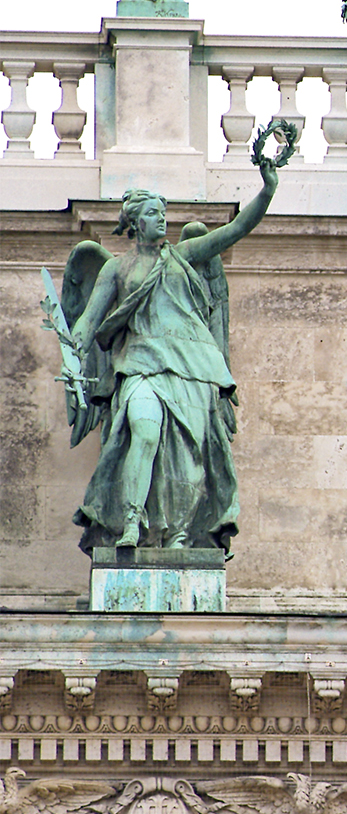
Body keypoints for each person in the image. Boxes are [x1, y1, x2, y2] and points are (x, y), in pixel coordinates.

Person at [70, 159, 277, 552]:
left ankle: (178, 534)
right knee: (144, 434)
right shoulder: (116, 268)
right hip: (140, 367)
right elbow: (87, 323)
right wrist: (71, 347)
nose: (161, 220)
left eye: (163, 214)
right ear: (135, 223)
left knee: (187, 457)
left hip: (188, 371)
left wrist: (267, 189)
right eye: (152, 214)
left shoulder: (183, 256)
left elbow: (235, 230)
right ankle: (132, 521)